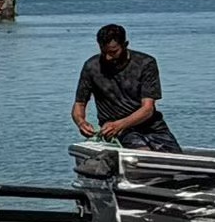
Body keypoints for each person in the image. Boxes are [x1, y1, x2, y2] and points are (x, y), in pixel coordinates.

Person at [73, 23, 180, 151]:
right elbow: (79, 104)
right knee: (142, 152)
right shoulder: (91, 67)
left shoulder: (146, 64)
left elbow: (147, 109)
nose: (108, 57)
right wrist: (81, 122)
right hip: (115, 131)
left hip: (153, 127)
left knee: (175, 156)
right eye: (104, 52)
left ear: (125, 45)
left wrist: (120, 124)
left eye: (113, 52)